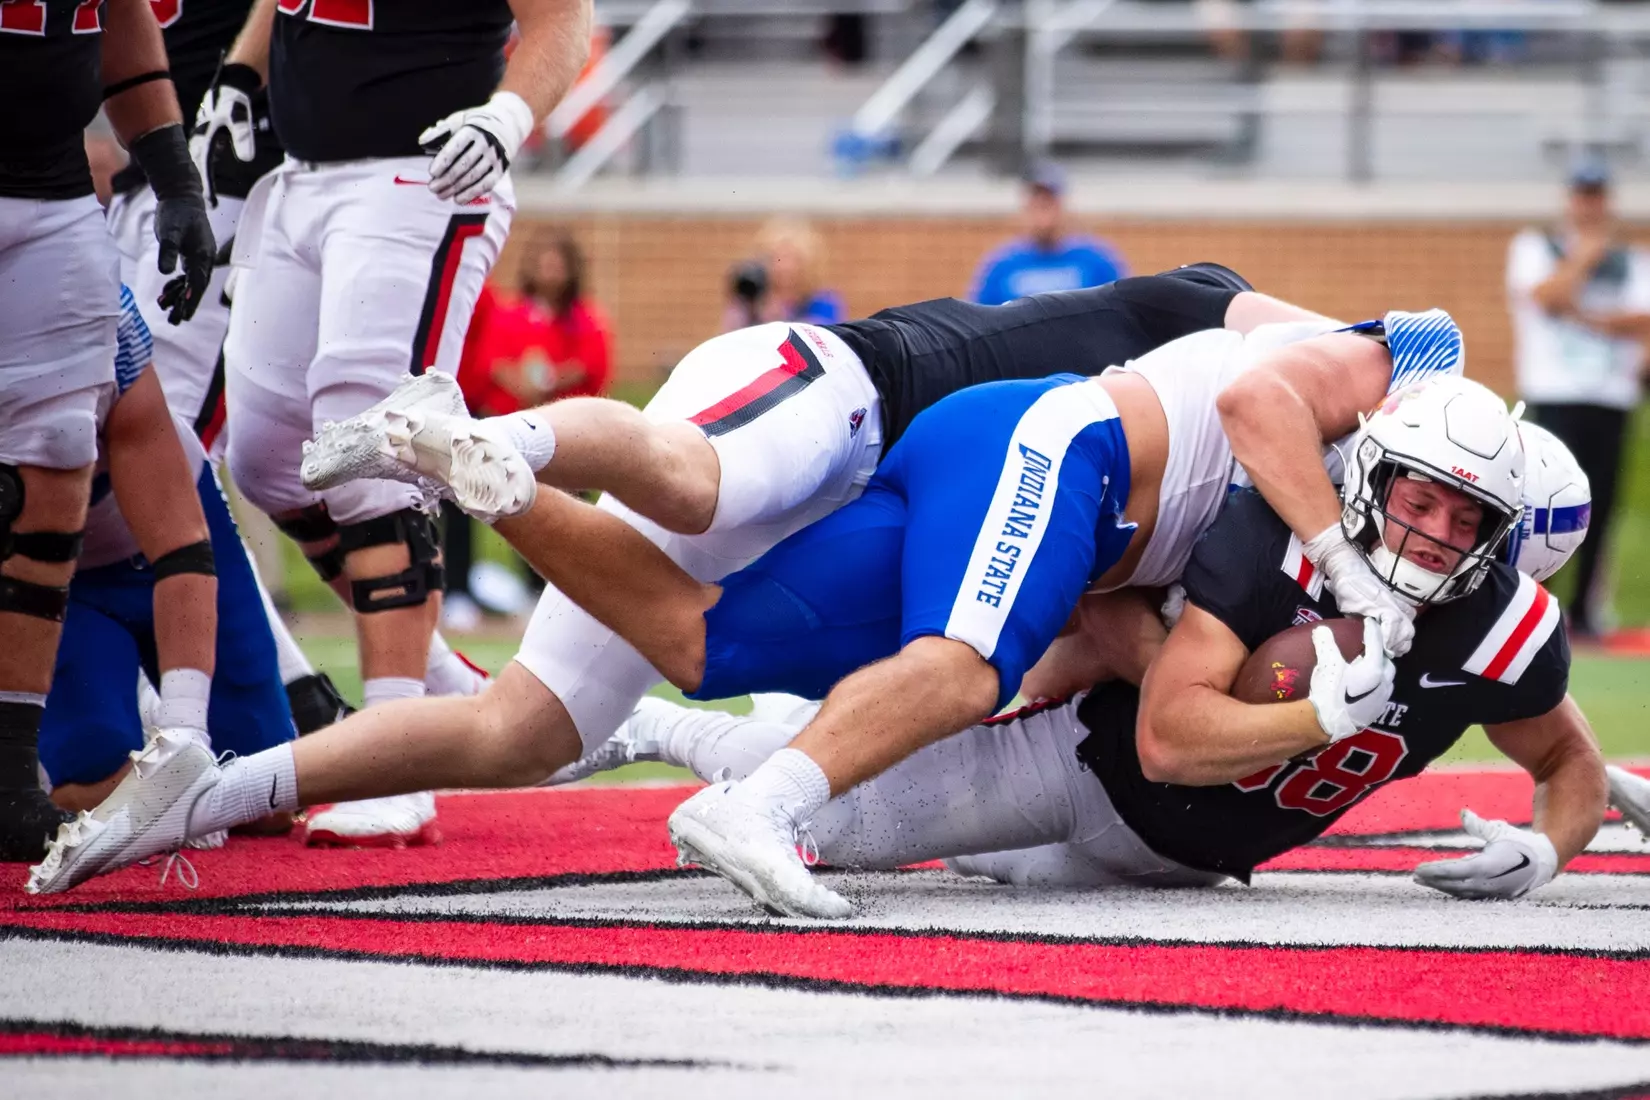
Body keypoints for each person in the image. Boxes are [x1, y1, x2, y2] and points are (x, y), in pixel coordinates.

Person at [25, 267, 1352, 892]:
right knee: (693, 476)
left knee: (527, 726)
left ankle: (208, 794)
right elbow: (1303, 355)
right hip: (857, 394)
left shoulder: (1171, 502)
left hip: (889, 488)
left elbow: (1099, 621)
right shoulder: (1216, 339)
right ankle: (493, 441)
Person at [559, 389, 1604, 904]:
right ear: (1372, 479)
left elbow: (1567, 759)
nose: (1437, 534)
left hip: (1183, 869)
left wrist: (1550, 846)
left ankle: (789, 722)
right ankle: (658, 723)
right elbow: (1167, 737)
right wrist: (1319, 718)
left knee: (975, 861)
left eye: (1469, 521)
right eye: (1421, 499)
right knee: (846, 821)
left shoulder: (1504, 624)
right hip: (1089, 773)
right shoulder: (1271, 541)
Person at [194, 0, 592, 844]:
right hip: (299, 175)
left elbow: (563, 19)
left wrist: (506, 115)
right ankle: (432, 669)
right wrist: (239, 75)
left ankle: (396, 756)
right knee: (268, 461)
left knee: (368, 446)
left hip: (418, 176)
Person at [0, 0, 215, 861]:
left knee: (54, 460)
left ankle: (9, 776)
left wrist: (174, 177)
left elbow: (122, 26)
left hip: (54, 200)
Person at [39, 287, 292, 846]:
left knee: (265, 794)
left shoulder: (100, 315)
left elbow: (183, 548)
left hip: (176, 542)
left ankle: (166, 716)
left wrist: (184, 734)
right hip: (64, 582)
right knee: (90, 772)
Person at [1506, 157, 1650, 638]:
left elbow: (1642, 320)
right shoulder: (1535, 246)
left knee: (1602, 504)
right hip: (1554, 393)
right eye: (1582, 195)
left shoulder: (1631, 259)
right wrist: (1583, 260)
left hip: (1610, 396)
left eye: (1597, 196)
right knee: (1538, 506)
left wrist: (1584, 315)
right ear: (1571, 200)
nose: (1590, 205)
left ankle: (1588, 611)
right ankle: (1530, 606)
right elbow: (1545, 296)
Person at [446, 229, 612, 625]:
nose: (550, 272)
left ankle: (571, 592)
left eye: (558, 264)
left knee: (565, 512)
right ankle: (470, 589)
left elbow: (595, 366)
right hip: (511, 423)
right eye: (543, 263)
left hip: (564, 428)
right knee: (494, 504)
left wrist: (554, 380)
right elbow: (491, 362)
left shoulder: (584, 319)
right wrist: (519, 381)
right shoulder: (511, 313)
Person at [969, 163, 1126, 306]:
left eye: (1048, 202)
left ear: (1062, 205)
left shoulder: (1097, 261)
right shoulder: (1002, 265)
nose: (1042, 212)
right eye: (1036, 202)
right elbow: (979, 321)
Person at [723, 218, 845, 331]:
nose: (784, 267)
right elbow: (728, 338)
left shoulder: (823, 299)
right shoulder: (752, 299)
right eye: (776, 258)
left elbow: (820, 336)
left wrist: (777, 317)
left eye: (792, 259)